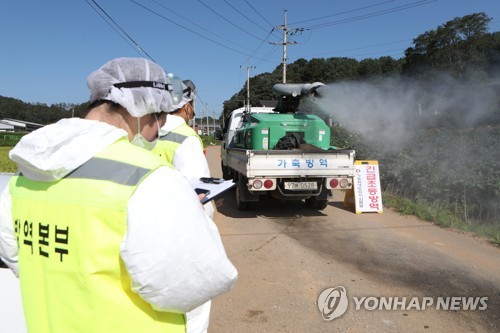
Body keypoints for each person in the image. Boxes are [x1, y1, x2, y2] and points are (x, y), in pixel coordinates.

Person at [0, 57, 237, 333]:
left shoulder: (26, 173)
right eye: (159, 119)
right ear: (142, 109)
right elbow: (199, 280)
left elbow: (16, 258)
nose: (158, 132)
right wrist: (190, 211)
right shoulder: (148, 178)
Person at [152, 81, 215, 333]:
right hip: (181, 236)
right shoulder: (186, 138)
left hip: (148, 229)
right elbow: (200, 195)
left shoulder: (142, 133)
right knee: (192, 311)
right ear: (187, 107)